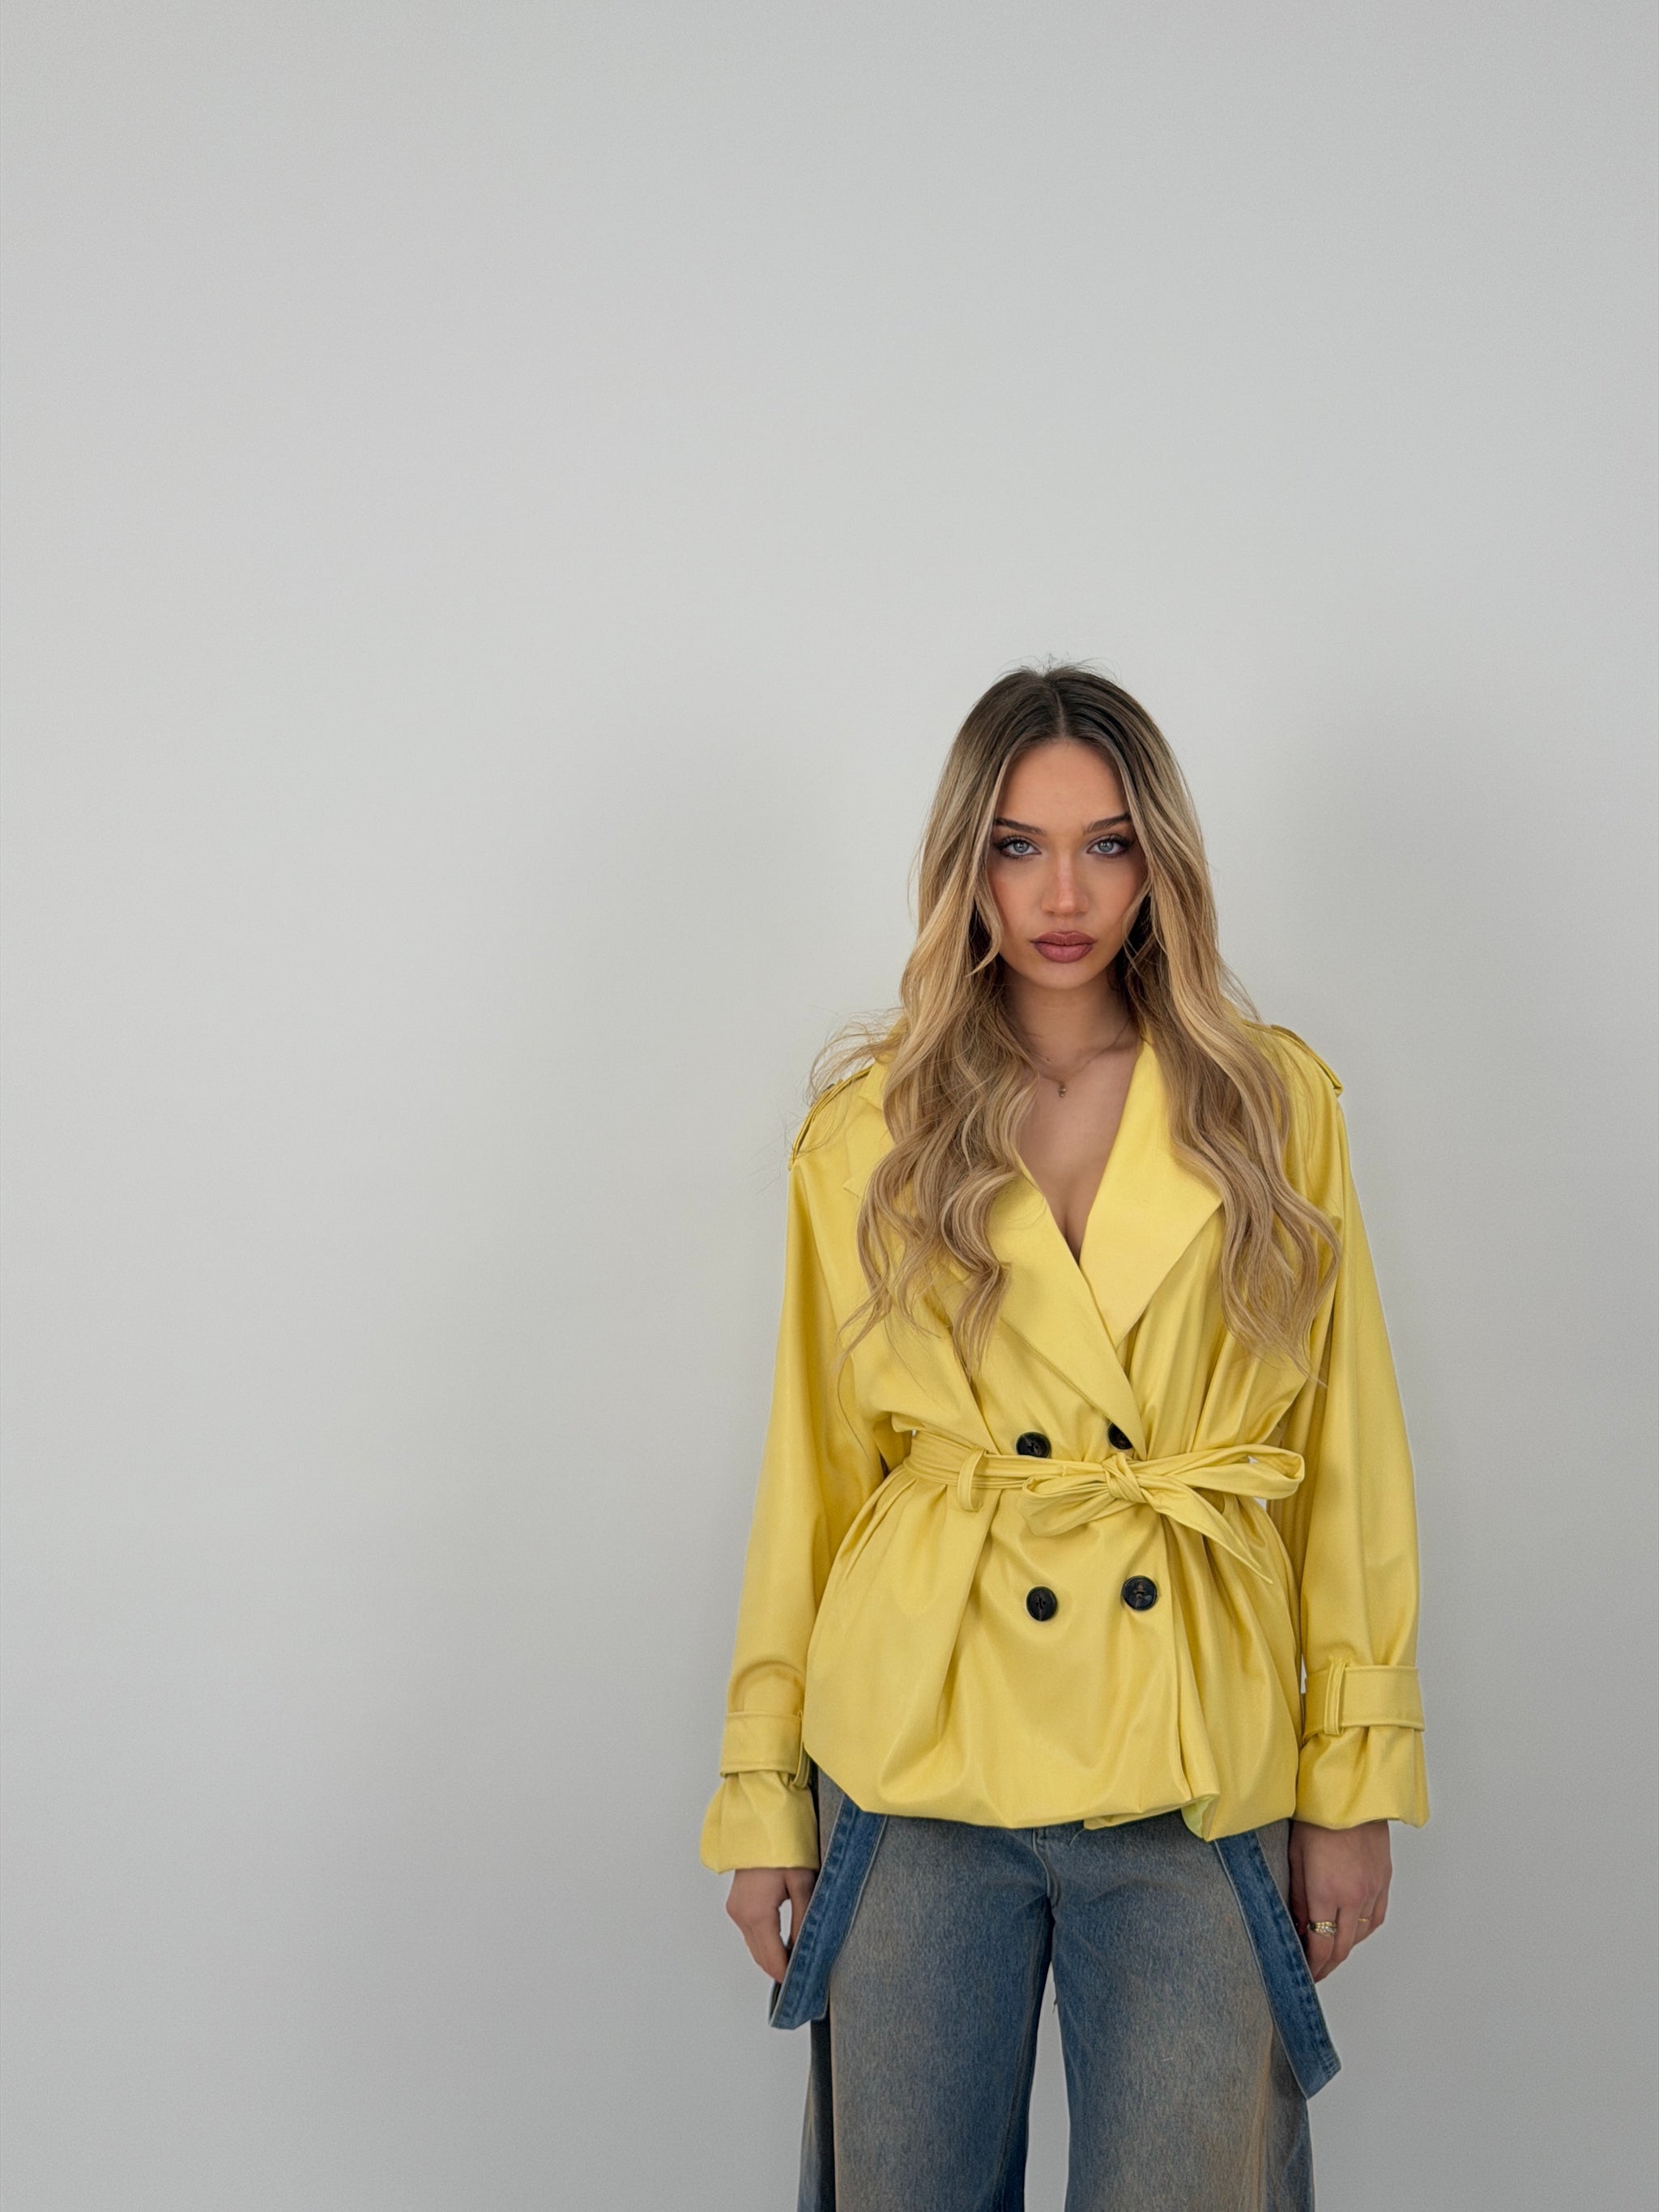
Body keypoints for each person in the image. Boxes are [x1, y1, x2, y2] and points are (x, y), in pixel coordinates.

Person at [700, 667, 1428, 2212]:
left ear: (1160, 862)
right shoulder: (870, 1131)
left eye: (1106, 845)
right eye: (1018, 848)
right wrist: (764, 1793)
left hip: (1192, 1756)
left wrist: (1353, 1778)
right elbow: (810, 1485)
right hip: (916, 1758)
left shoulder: (1271, 1107)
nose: (1064, 896)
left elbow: (1348, 1458)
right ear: (964, 866)